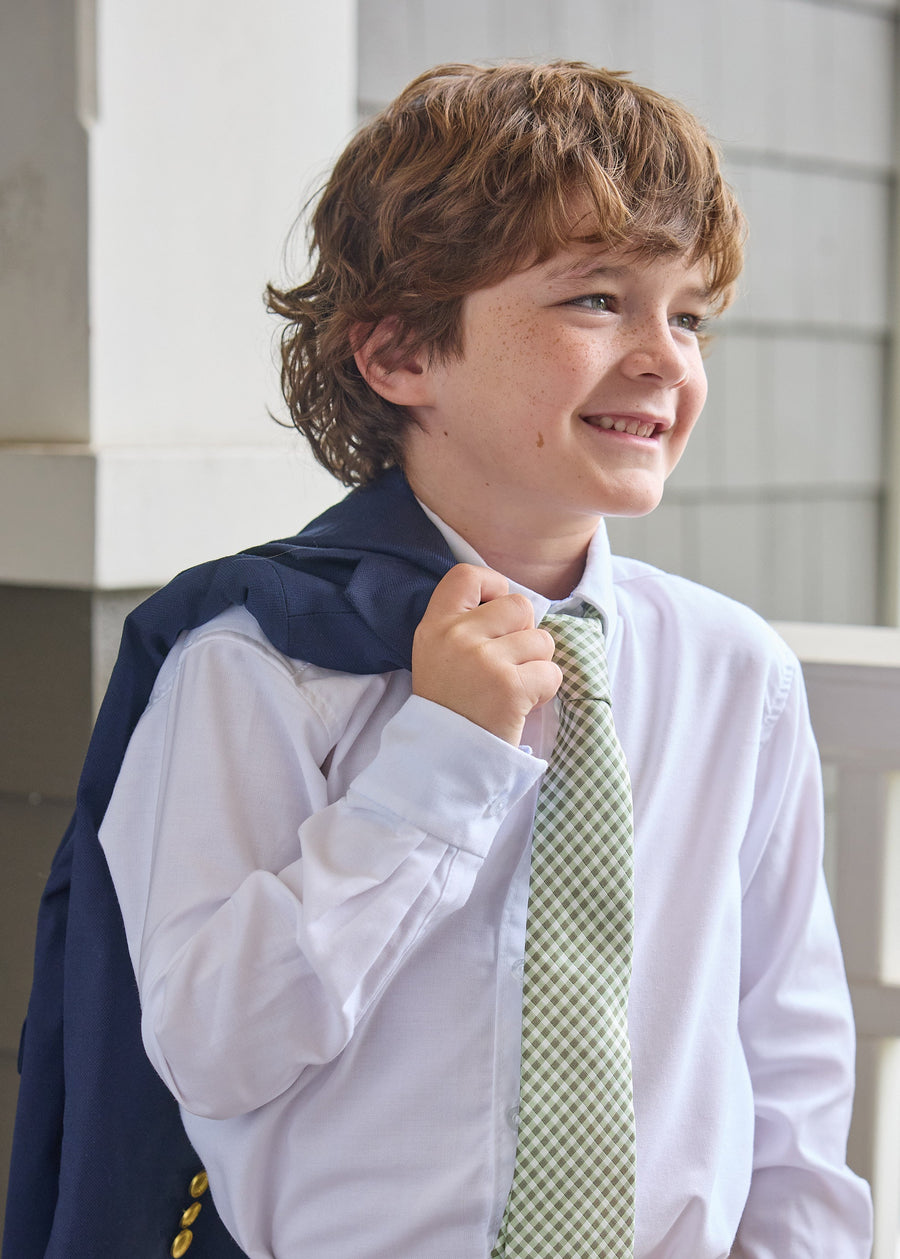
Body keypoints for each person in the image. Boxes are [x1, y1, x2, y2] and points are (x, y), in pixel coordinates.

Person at [7, 61, 872, 1259]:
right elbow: (212, 1046)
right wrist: (439, 763)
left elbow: (788, 1061)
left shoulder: (735, 675)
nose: (665, 359)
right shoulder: (256, 662)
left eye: (688, 314)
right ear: (401, 352)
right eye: (597, 299)